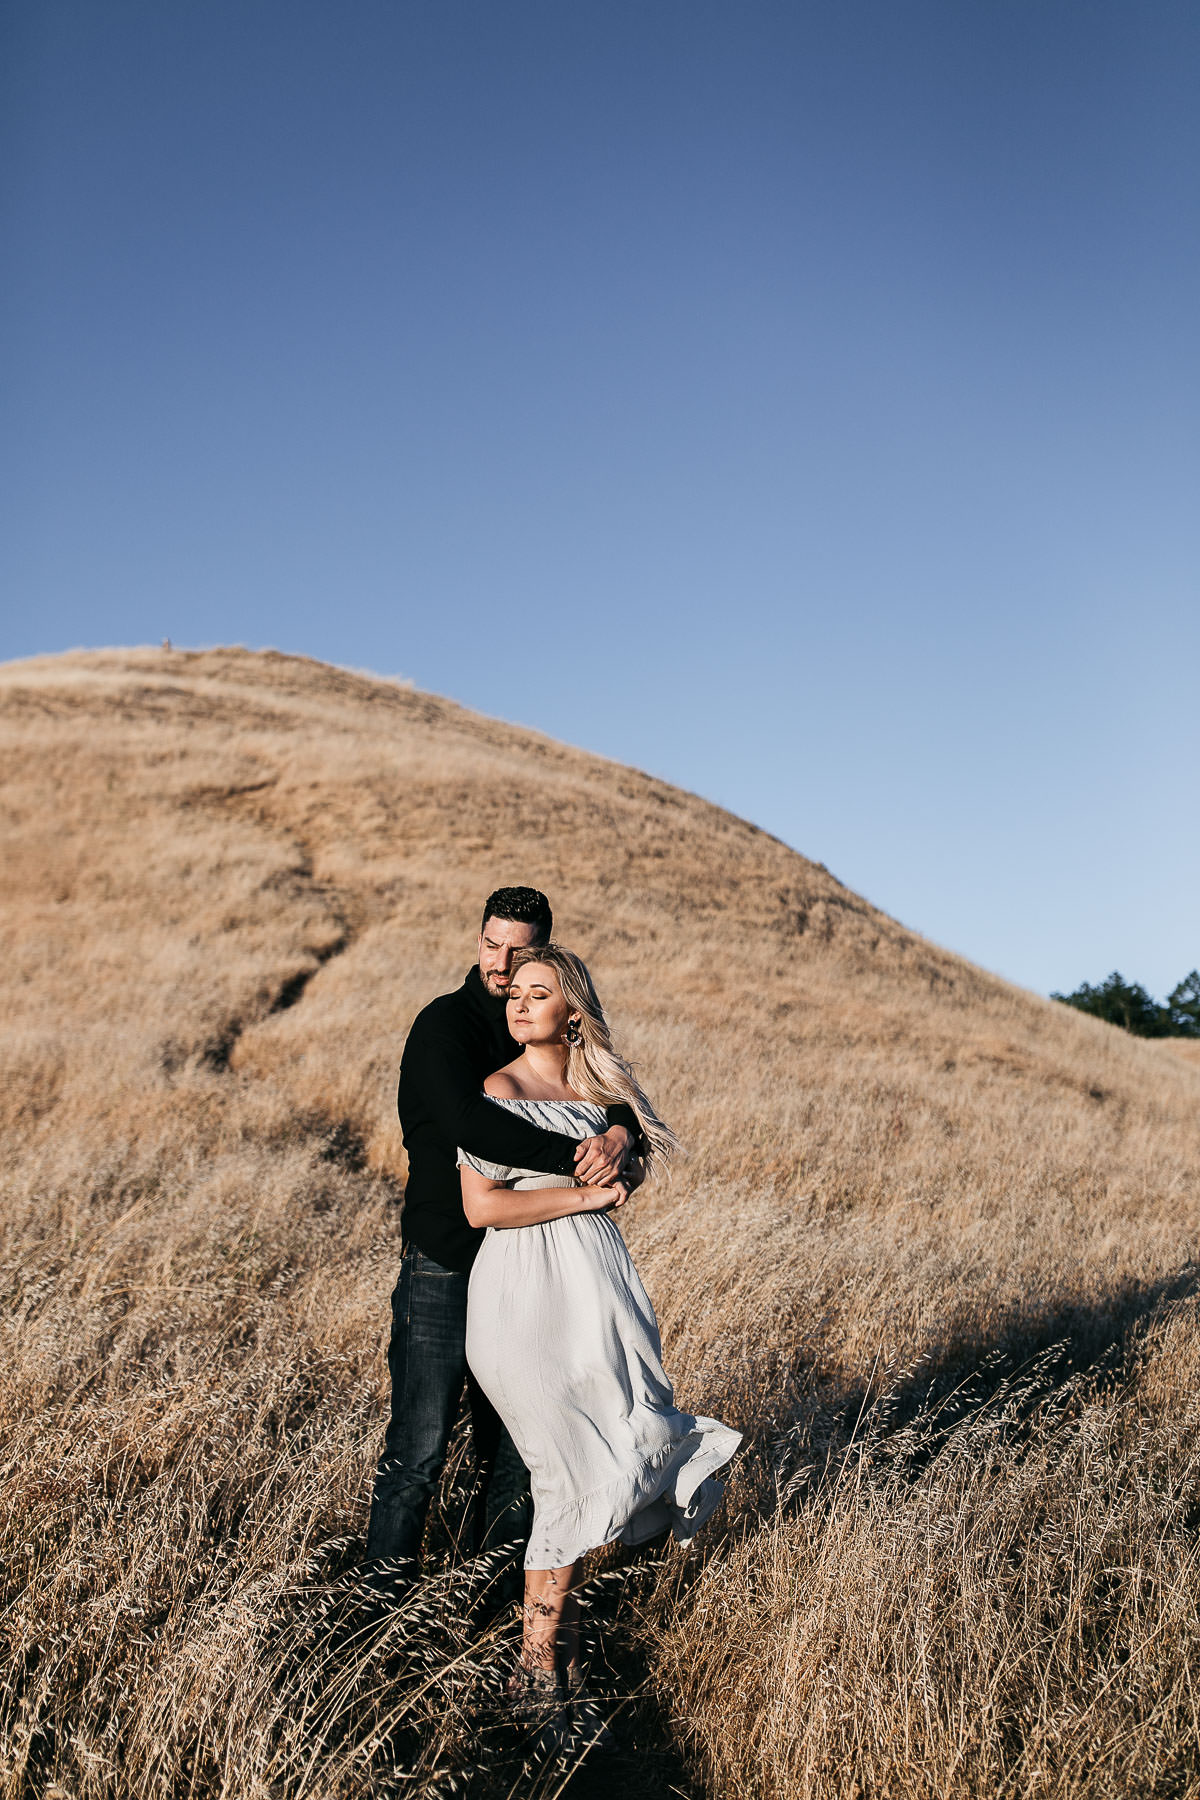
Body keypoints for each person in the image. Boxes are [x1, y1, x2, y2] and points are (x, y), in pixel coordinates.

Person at [458, 942, 741, 1741]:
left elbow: (635, 1170)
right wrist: (582, 1193)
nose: (518, 1003)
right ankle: (536, 1670)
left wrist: (621, 1146)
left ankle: (562, 1648)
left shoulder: (600, 1090)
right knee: (559, 1471)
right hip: (521, 1296)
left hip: (600, 1291)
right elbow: (483, 1208)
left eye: (538, 993)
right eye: (515, 991)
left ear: (571, 1011)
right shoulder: (497, 1091)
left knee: (602, 1458)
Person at [365, 888, 643, 1579]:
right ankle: (377, 1606)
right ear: (478, 941)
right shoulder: (445, 1026)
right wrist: (578, 1161)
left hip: (527, 1269)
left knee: (522, 1442)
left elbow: (609, 1100)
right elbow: (467, 1124)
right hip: (447, 1258)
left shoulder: (548, 1023)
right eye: (493, 945)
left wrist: (618, 1132)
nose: (504, 964)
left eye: (520, 952)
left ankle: (484, 1593)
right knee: (421, 1442)